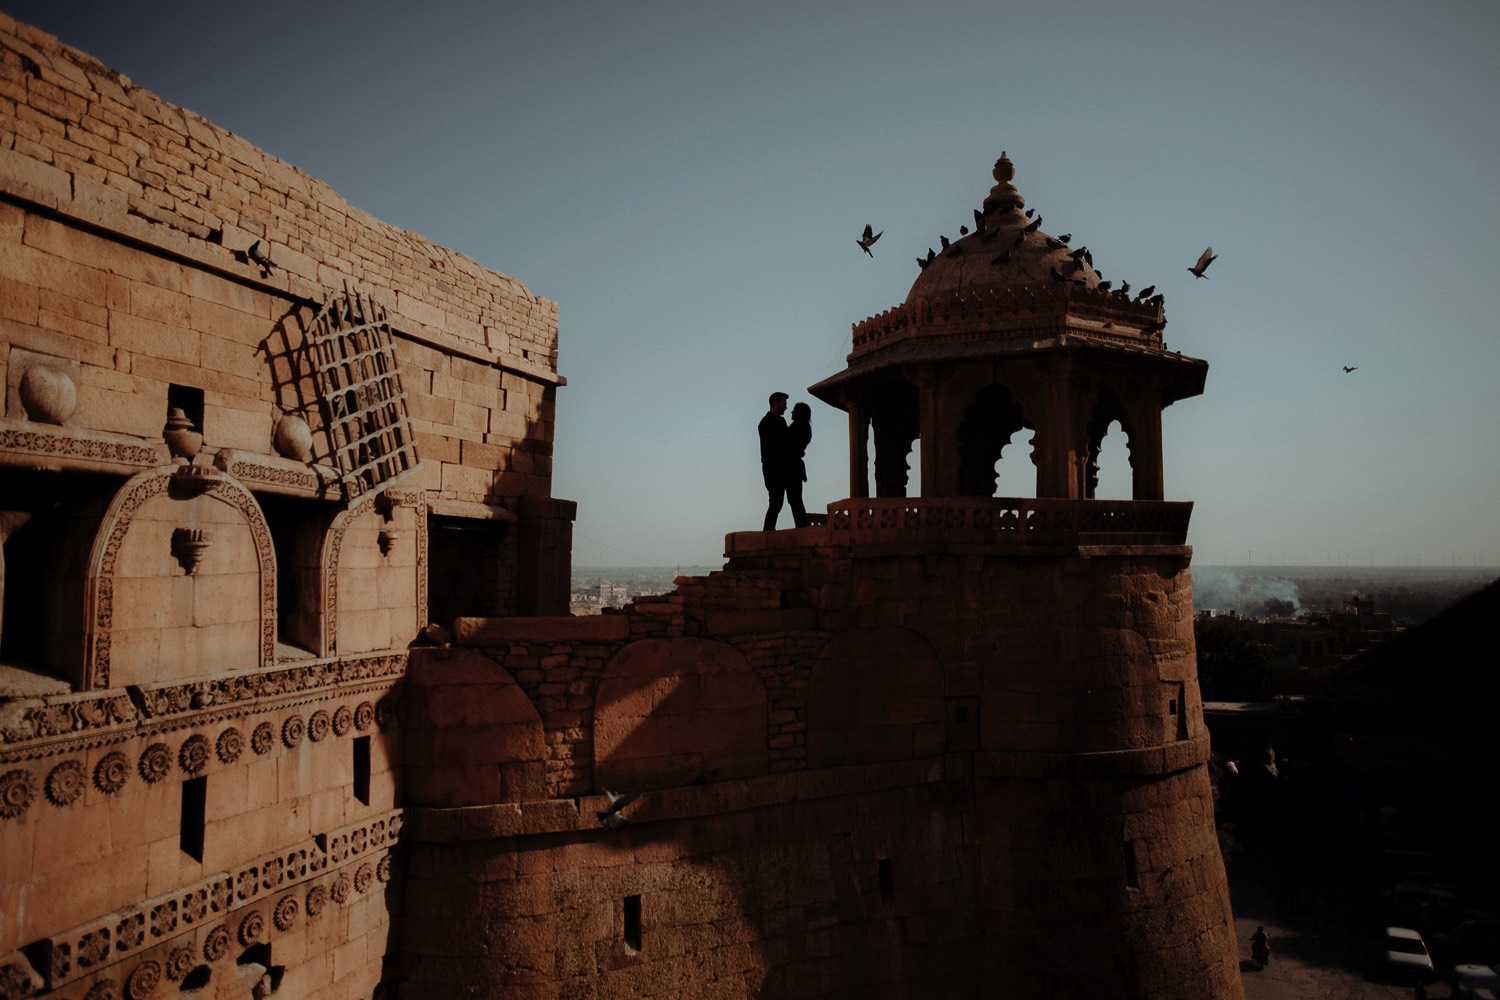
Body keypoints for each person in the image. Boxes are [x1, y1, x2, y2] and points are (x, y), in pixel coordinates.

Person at [758, 392, 791, 530]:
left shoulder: (781, 422)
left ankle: (769, 531)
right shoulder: (765, 423)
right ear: (776, 404)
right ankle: (768, 532)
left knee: (777, 502)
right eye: (784, 403)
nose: (786, 407)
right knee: (776, 502)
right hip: (772, 469)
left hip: (781, 469)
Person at [786, 402, 812, 527]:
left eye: (794, 410)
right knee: (795, 499)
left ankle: (800, 526)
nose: (791, 412)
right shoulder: (804, 429)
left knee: (794, 499)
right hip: (795, 467)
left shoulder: (796, 429)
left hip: (792, 468)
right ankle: (800, 525)